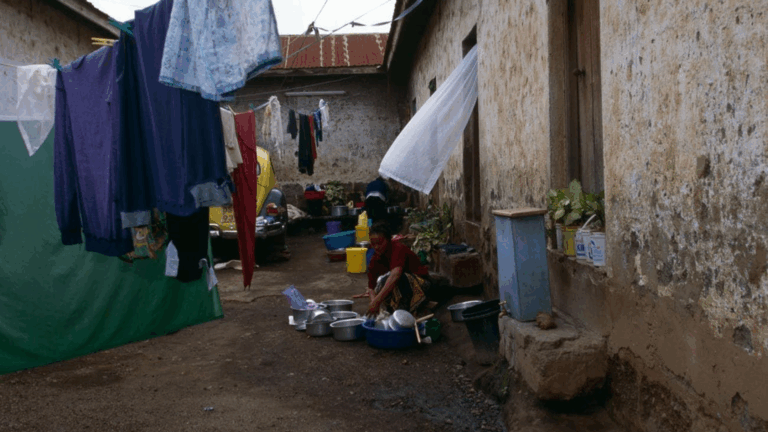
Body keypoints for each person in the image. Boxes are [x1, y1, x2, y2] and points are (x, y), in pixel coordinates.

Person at [354, 222, 430, 316]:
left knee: (398, 278)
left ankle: (405, 311)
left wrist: (376, 302)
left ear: (388, 240)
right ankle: (395, 311)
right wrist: (373, 303)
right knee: (381, 283)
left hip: (421, 285)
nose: (376, 247)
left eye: (380, 243)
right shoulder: (375, 259)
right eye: (373, 244)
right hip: (404, 288)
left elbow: (396, 275)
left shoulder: (398, 249)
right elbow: (371, 287)